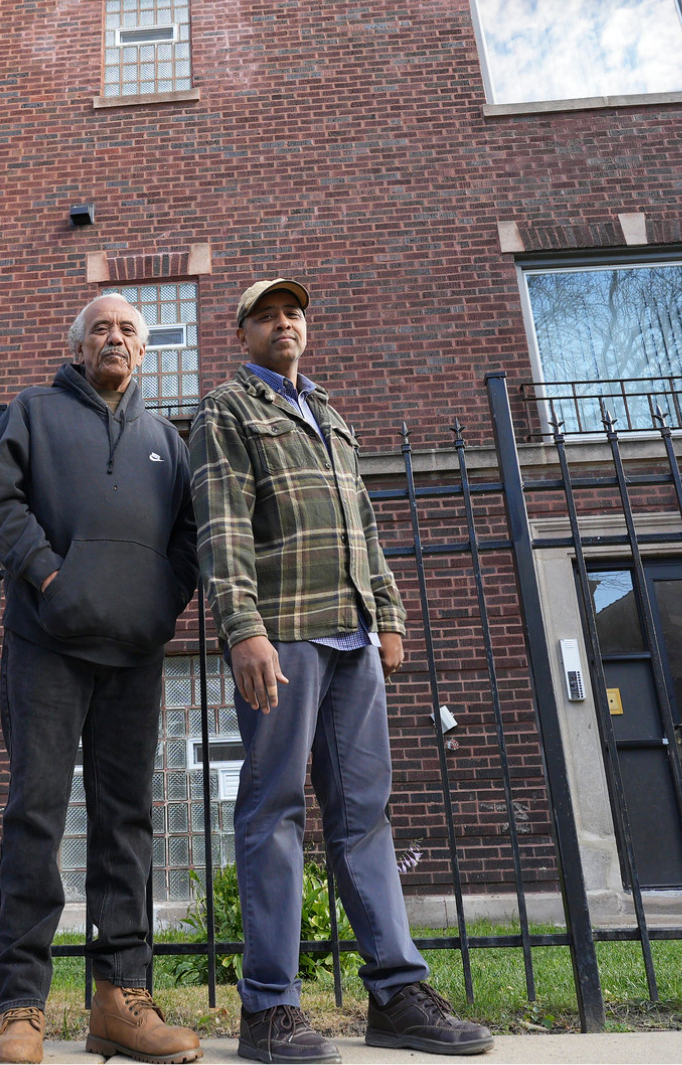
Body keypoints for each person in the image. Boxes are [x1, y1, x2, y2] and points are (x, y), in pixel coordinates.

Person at [189, 279, 494, 1063]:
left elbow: (366, 525)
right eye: (267, 316)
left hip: (354, 640)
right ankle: (270, 1009)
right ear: (243, 333)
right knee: (273, 811)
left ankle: (395, 993)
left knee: (365, 815)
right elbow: (220, 528)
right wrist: (242, 630)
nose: (284, 323)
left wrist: (386, 613)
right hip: (282, 635)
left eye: (293, 314)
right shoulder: (228, 410)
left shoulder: (330, 415)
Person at [0, 293, 203, 1065]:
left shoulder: (166, 441)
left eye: (129, 330)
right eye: (101, 328)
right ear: (77, 347)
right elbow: (1, 507)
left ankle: (121, 1000)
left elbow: (187, 539)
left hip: (133, 656)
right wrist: (48, 580)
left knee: (126, 822)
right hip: (46, 643)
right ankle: (21, 1009)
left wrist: (159, 606)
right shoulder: (34, 412)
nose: (115, 338)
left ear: (145, 352)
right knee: (36, 815)